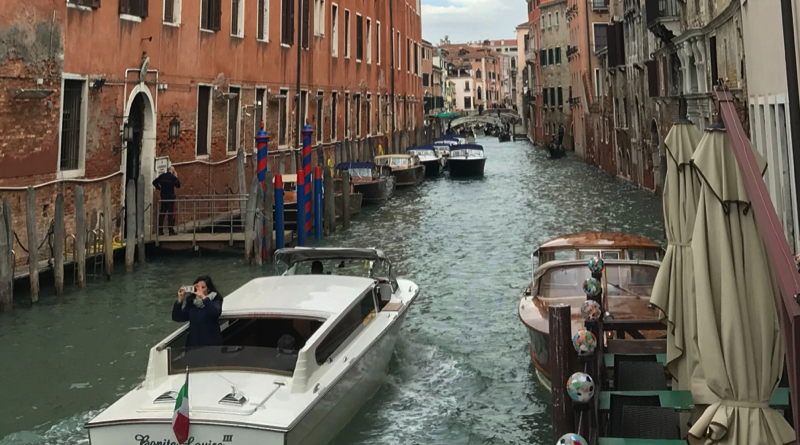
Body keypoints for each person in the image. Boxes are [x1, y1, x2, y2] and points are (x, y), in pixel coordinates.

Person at [172, 275, 223, 348]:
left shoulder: (215, 299)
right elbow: (177, 317)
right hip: (194, 344)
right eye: (197, 287)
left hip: (211, 344)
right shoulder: (191, 301)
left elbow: (215, 313)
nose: (199, 289)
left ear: (208, 289)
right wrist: (180, 300)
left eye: (203, 287)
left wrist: (203, 298)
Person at [152, 165, 180, 235]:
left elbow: (154, 182)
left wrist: (159, 188)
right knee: (170, 214)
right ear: (172, 171)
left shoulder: (162, 176)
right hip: (170, 197)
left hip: (163, 197)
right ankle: (170, 231)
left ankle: (160, 230)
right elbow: (178, 185)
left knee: (162, 213)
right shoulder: (173, 177)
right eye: (173, 170)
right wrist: (176, 177)